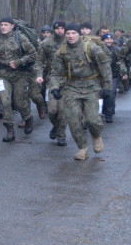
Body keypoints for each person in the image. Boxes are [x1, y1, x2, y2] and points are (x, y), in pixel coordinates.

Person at [48, 24, 112, 160]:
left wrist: (108, 87)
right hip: (72, 86)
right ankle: (82, 148)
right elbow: (55, 72)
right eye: (68, 33)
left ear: (79, 34)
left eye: (73, 33)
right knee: (73, 119)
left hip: (91, 86)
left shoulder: (91, 48)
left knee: (92, 119)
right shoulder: (62, 51)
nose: (70, 36)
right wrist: (54, 87)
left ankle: (96, 135)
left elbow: (105, 66)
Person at [0, 17, 36, 142]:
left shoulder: (21, 38)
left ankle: (28, 118)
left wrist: (19, 61)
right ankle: (10, 130)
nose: (3, 27)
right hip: (2, 74)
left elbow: (33, 54)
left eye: (6, 24)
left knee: (19, 101)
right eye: (1, 24)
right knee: (5, 102)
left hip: (19, 74)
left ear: (12, 26)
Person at [36, 20, 68, 146]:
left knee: (63, 110)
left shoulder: (70, 41)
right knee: (52, 110)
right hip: (52, 79)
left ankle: (61, 135)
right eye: (57, 28)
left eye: (62, 28)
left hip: (68, 80)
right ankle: (56, 126)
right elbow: (39, 60)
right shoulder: (47, 43)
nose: (60, 31)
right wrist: (39, 75)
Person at [100, 33, 122, 123]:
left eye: (110, 39)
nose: (109, 41)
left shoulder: (116, 49)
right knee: (101, 94)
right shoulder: (99, 49)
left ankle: (109, 114)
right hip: (100, 76)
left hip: (113, 75)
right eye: (106, 39)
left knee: (111, 94)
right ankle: (101, 111)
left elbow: (122, 60)